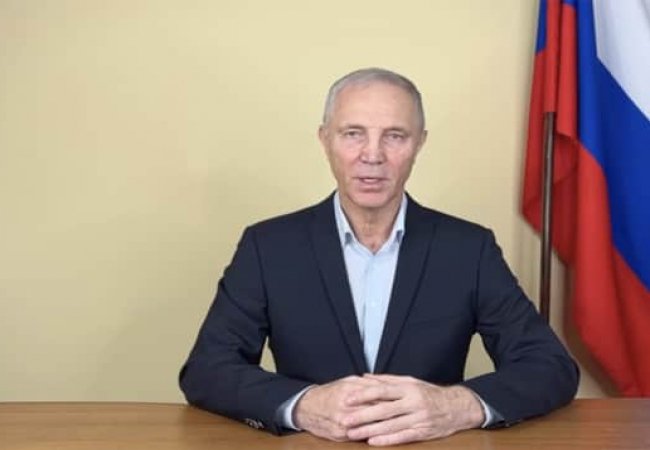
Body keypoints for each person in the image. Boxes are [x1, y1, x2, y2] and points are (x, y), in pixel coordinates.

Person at [179, 68, 579, 446]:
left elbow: (550, 366)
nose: (372, 155)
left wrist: (454, 405)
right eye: (353, 133)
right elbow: (207, 369)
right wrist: (302, 405)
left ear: (419, 143)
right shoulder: (267, 246)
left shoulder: (469, 248)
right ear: (325, 139)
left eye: (395, 136)